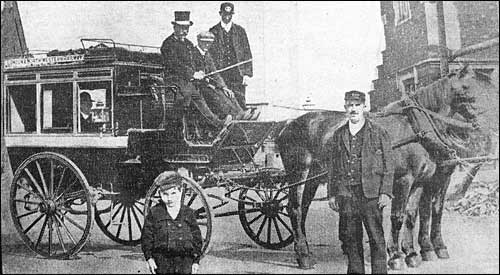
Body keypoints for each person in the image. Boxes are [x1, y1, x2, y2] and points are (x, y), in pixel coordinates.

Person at [327, 90, 394, 274]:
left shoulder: (379, 132)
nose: (354, 109)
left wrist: (386, 192)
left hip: (371, 195)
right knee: (351, 240)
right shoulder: (339, 134)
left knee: (376, 239)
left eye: (357, 105)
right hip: (347, 195)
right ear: (345, 108)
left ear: (365, 107)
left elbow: (389, 165)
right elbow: (333, 166)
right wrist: (332, 193)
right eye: (350, 105)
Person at [160, 11, 231, 129]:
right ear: (175, 27)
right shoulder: (168, 44)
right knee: (192, 93)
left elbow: (194, 62)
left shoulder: (188, 44)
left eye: (187, 28)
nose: (185, 31)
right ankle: (215, 124)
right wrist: (192, 74)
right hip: (173, 80)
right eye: (182, 28)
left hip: (188, 81)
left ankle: (218, 123)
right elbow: (174, 65)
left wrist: (200, 72)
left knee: (205, 92)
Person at [141, 174, 203, 274]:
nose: (169, 198)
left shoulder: (188, 213)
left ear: (181, 191)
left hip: (185, 261)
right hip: (162, 261)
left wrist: (196, 261)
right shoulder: (155, 213)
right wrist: (149, 258)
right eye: (165, 194)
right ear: (160, 193)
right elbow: (147, 237)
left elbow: (197, 238)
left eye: (173, 193)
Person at [193, 31, 258, 120]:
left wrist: (224, 87)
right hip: (199, 86)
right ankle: (234, 116)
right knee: (216, 94)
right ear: (199, 41)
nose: (207, 45)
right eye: (205, 42)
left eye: (209, 43)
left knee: (229, 93)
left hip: (208, 84)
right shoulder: (193, 53)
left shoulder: (207, 55)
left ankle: (241, 114)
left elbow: (215, 73)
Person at [209, 2, 252, 109]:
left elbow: (247, 53)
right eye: (225, 14)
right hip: (221, 72)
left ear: (232, 14)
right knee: (223, 100)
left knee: (240, 98)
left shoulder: (240, 31)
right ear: (220, 14)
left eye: (230, 14)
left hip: (237, 72)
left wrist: (246, 74)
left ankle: (243, 121)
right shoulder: (213, 31)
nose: (227, 16)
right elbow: (209, 56)